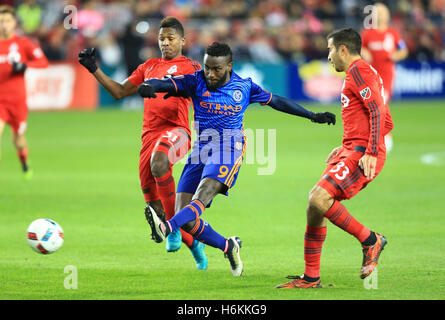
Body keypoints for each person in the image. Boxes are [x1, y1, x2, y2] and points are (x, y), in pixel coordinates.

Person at [139, 42, 336, 276]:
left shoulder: (244, 86)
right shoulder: (195, 80)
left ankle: (168, 226)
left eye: (216, 69)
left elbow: (277, 101)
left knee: (199, 201)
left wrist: (312, 115)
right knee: (189, 222)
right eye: (207, 67)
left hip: (229, 148)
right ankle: (228, 246)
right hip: (201, 151)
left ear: (229, 66)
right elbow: (165, 83)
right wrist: (150, 85)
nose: (210, 74)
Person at [78, 17, 208, 270]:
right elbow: (118, 92)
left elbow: (199, 91)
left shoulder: (192, 67)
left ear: (183, 41)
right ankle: (194, 243)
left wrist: (161, 88)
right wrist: (94, 68)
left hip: (177, 131)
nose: (165, 43)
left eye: (171, 39)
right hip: (149, 136)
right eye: (162, 39)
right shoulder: (148, 66)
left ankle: (172, 231)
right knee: (155, 206)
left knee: (160, 162)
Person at [276, 28, 393, 289]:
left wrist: (370, 151)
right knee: (315, 208)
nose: (328, 56)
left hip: (363, 154)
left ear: (342, 49)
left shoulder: (359, 71)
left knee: (318, 198)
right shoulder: (362, 72)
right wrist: (345, 147)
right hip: (354, 150)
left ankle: (370, 240)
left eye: (330, 49)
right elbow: (386, 119)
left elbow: (376, 110)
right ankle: (311, 277)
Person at [0, 5, 49, 180]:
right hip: (0, 102)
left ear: (14, 23)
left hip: (17, 102)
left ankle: (24, 163)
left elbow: (43, 62)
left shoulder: (23, 44)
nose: (3, 25)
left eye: (7, 21)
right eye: (1, 21)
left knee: (18, 140)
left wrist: (25, 65)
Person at [361, 3, 408, 152]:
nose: (379, 15)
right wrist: (364, 52)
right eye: (377, 12)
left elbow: (403, 50)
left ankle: (385, 138)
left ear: (387, 15)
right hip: (370, 76)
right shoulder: (368, 33)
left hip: (386, 77)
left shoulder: (393, 34)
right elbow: (359, 47)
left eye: (382, 12)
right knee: (371, 106)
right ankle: (380, 137)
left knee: (379, 105)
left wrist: (397, 55)